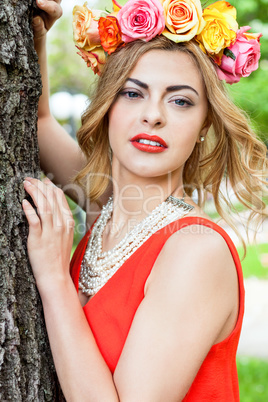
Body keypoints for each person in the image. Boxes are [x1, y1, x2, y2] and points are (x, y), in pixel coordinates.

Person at [22, 0, 267, 400]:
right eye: (133, 93)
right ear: (108, 108)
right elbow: (37, 121)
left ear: (204, 124)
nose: (153, 115)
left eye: (180, 100)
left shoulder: (195, 253)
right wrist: (35, 34)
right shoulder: (108, 207)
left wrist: (53, 280)